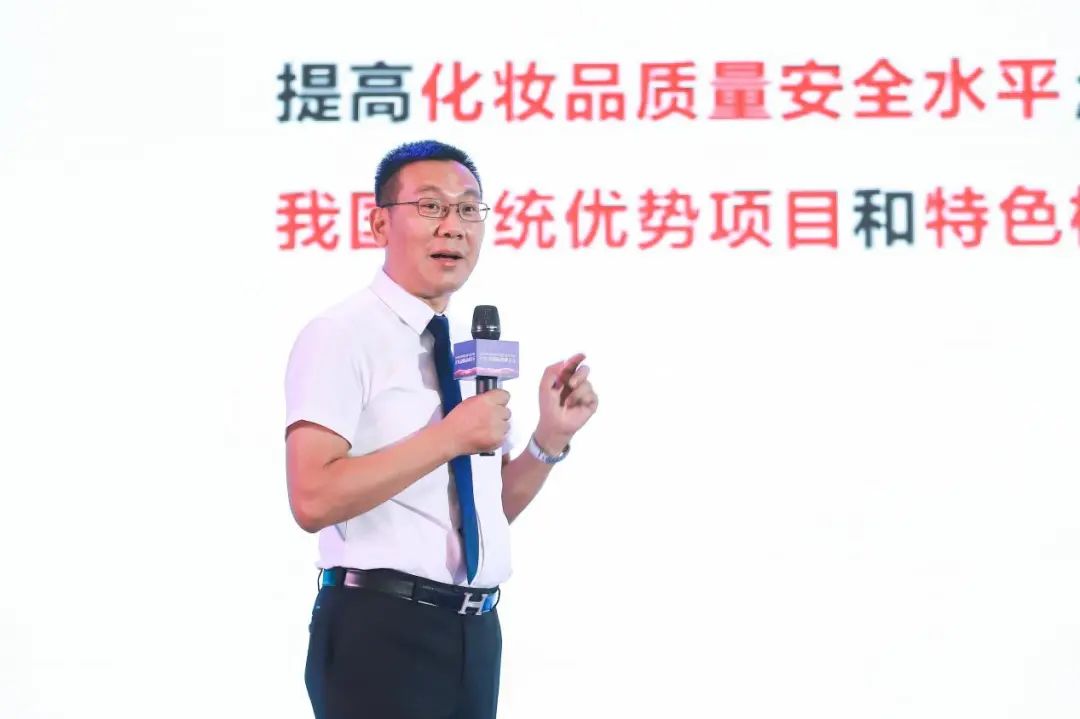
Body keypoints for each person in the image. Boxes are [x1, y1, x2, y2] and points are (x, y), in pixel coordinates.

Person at [283, 139, 598, 719]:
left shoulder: (457, 348)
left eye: (469, 208)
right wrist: (449, 437)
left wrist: (549, 438)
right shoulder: (341, 335)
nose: (453, 226)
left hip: (473, 633)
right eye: (430, 206)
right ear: (380, 223)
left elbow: (483, 509)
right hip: (381, 632)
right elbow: (312, 498)